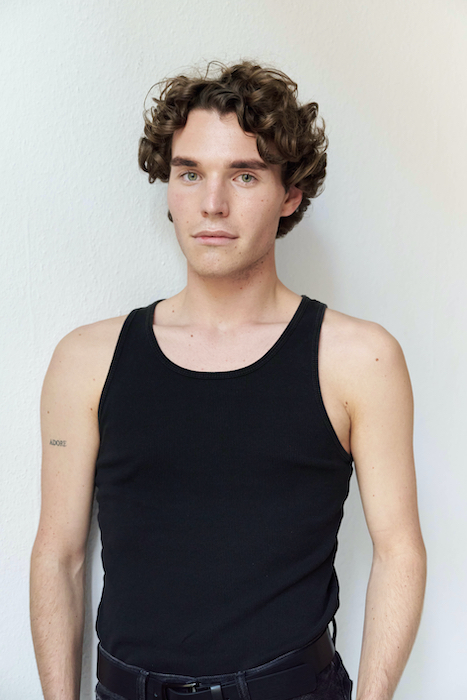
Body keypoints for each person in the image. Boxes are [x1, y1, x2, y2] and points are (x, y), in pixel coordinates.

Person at [30, 61, 426, 700]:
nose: (212, 203)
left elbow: (400, 549)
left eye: (244, 175)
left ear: (290, 193)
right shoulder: (87, 359)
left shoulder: (359, 359)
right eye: (190, 173)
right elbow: (59, 555)